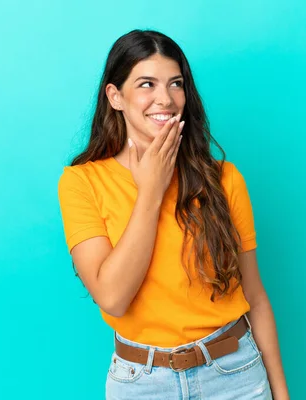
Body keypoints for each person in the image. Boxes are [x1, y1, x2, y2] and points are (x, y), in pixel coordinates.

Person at [57, 29, 289, 400]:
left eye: (175, 84)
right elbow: (113, 298)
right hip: (141, 383)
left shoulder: (224, 180)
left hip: (235, 376)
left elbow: (255, 296)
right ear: (115, 97)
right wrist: (151, 189)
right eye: (146, 84)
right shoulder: (82, 182)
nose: (164, 99)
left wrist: (281, 393)